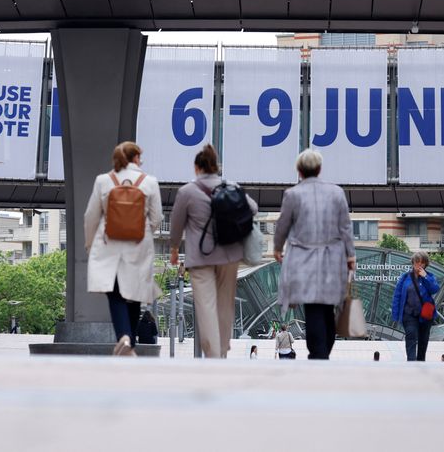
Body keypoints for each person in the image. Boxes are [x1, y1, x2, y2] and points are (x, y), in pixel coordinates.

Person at [169, 144, 258, 358]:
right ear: (216, 167)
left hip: (201, 258)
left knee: (206, 307)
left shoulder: (187, 192)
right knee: (225, 306)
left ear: (196, 167)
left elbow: (176, 225)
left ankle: (213, 354)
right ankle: (223, 349)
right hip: (230, 255)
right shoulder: (232, 187)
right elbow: (253, 208)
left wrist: (173, 249)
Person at [274, 149, 355, 360]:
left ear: (299, 171)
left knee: (312, 305)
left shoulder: (292, 194)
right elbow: (345, 227)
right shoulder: (336, 193)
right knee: (327, 307)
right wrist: (350, 255)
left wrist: (277, 247)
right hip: (332, 257)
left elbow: (282, 225)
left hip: (303, 258)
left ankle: (318, 353)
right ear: (319, 169)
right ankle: (322, 351)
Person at [84, 141, 162, 357]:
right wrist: (143, 231)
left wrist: (90, 242)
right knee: (135, 293)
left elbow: (91, 216)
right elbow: (156, 218)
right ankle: (130, 343)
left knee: (115, 292)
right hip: (138, 245)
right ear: (136, 158)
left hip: (109, 244)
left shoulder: (103, 181)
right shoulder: (150, 183)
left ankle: (124, 337)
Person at [390, 251, 440, 362]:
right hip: (409, 314)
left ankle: (421, 362)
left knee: (423, 340)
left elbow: (435, 289)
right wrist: (396, 315)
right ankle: (411, 362)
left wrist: (425, 277)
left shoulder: (429, 277)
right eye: (417, 262)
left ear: (425, 265)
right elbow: (397, 296)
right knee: (411, 335)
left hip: (425, 315)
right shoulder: (405, 278)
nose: (419, 265)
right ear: (413, 263)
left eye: (422, 263)